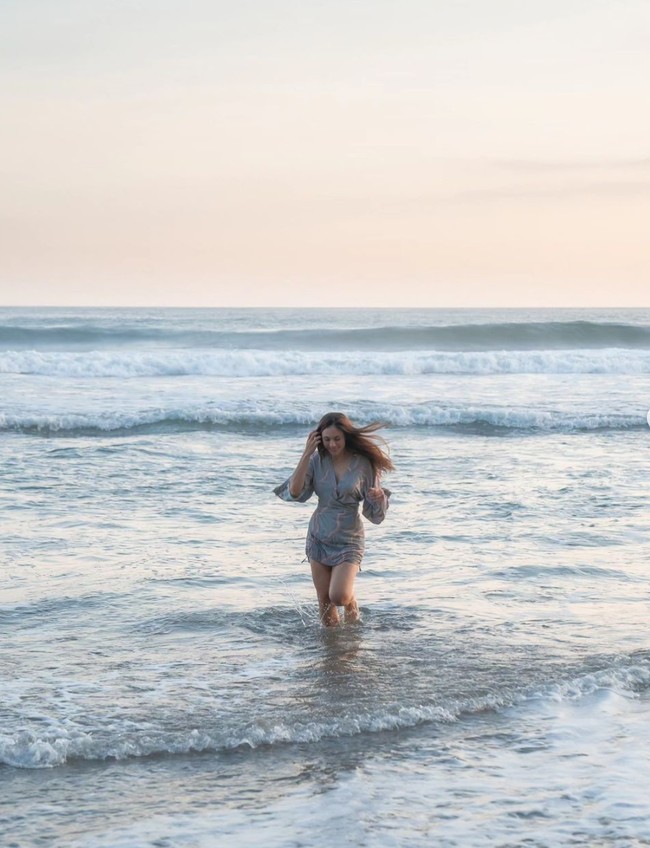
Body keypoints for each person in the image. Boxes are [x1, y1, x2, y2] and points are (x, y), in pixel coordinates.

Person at [274, 412, 393, 626]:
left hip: (349, 539)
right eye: (327, 439)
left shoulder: (364, 463)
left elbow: (374, 513)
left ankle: (351, 603)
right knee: (324, 601)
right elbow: (295, 491)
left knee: (339, 596)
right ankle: (336, 646)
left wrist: (379, 497)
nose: (332, 444)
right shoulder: (315, 460)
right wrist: (306, 453)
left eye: (337, 439)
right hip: (318, 536)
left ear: (346, 436)